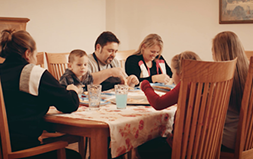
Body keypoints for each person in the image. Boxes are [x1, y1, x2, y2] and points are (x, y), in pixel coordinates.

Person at [0, 29, 82, 159]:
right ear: (28, 53)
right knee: (74, 156)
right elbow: (70, 104)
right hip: (25, 153)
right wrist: (73, 90)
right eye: (35, 55)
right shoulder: (32, 73)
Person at [137, 51, 201, 159]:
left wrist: (145, 85)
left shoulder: (186, 84)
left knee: (141, 145)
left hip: (182, 148)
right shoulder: (205, 84)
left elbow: (158, 103)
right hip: (201, 145)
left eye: (173, 72)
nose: (172, 76)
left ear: (181, 73)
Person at [212, 31, 249, 152]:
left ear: (219, 53)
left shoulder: (223, 79)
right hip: (248, 139)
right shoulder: (248, 74)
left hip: (227, 141)